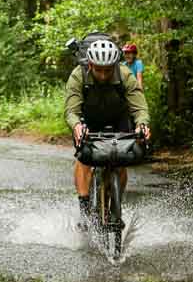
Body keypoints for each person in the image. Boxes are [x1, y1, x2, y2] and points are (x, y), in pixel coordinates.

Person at [64, 39, 150, 229]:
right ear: (91, 65)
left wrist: (142, 125)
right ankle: (85, 210)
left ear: (114, 65)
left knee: (121, 160)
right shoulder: (78, 75)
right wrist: (77, 126)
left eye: (108, 70)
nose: (103, 75)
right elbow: (71, 111)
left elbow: (140, 108)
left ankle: (114, 208)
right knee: (83, 159)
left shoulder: (125, 74)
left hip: (118, 117)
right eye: (99, 70)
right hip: (88, 120)